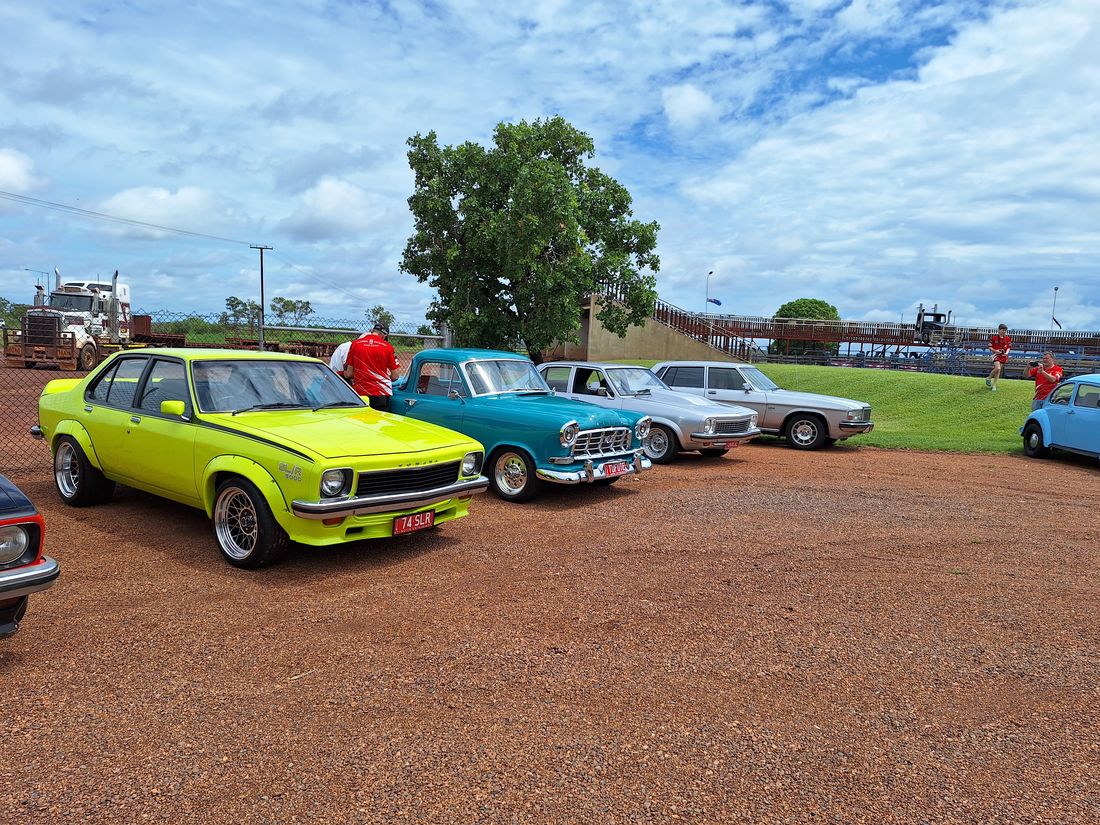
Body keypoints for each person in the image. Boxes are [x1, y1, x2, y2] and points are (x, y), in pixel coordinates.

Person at [344, 323, 400, 410]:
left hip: (360, 392)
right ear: (384, 335)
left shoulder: (355, 344)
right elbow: (395, 376)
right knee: (380, 421)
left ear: (372, 331)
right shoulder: (387, 346)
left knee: (359, 420)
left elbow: (349, 374)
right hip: (381, 392)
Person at [985, 323, 1011, 392]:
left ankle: (994, 386)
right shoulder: (994, 338)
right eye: (1002, 330)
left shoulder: (1008, 338)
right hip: (996, 355)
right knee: (997, 368)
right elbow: (990, 347)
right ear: (999, 330)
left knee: (998, 371)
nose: (1004, 331)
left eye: (1005, 330)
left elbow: (1009, 347)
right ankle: (989, 378)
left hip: (1003, 356)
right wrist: (996, 351)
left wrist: (1006, 353)